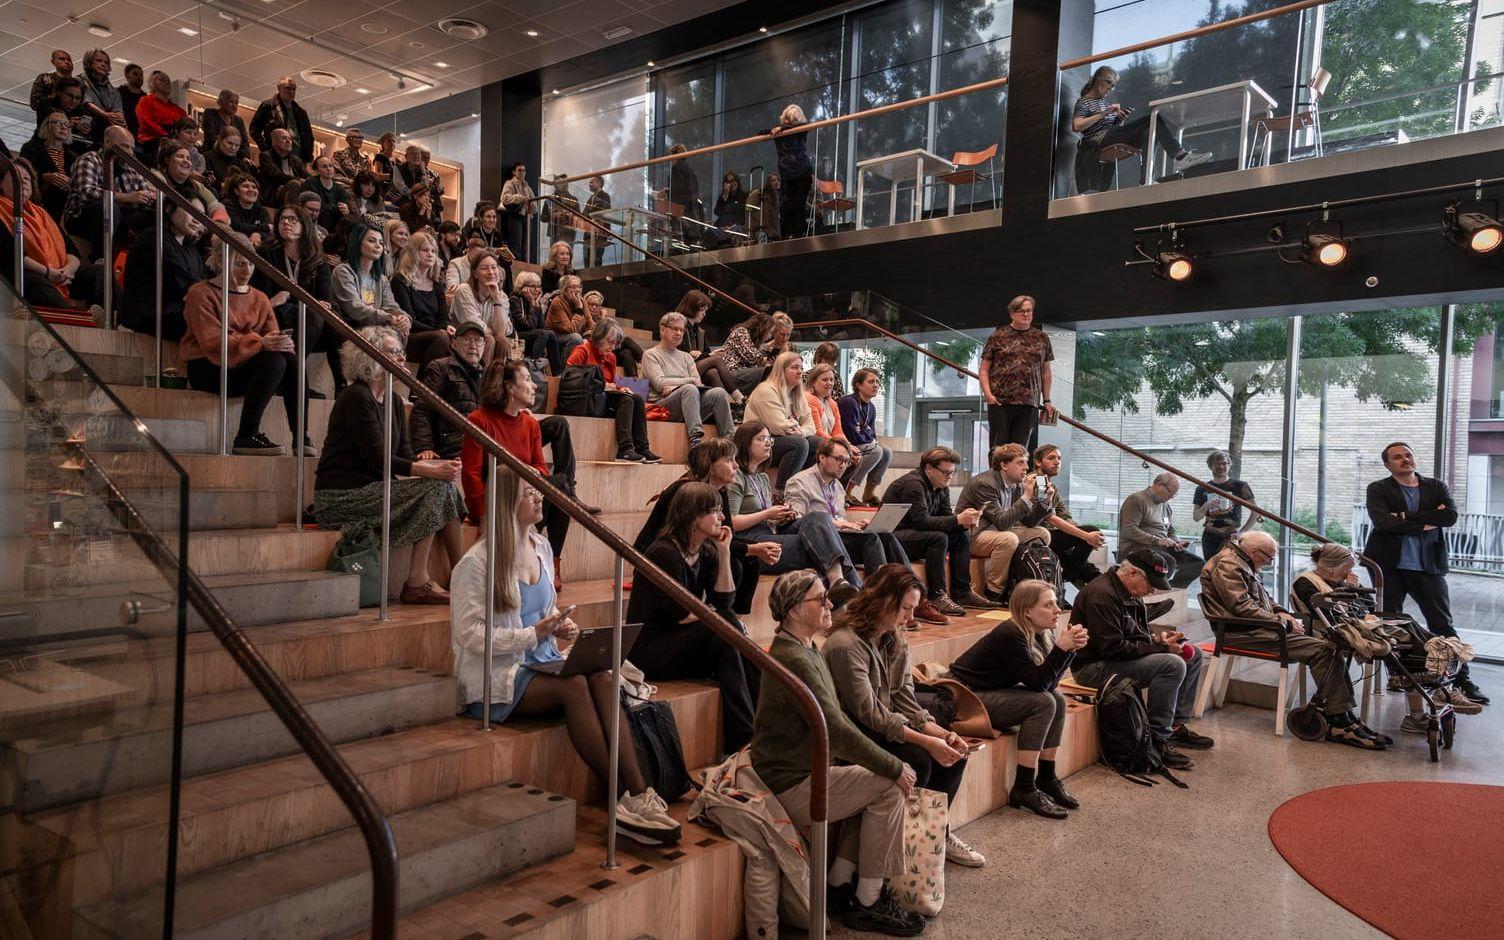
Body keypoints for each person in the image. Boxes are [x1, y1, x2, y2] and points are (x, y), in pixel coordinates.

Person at [449, 465, 680, 844]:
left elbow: (543, 613)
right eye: (529, 492)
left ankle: (636, 794)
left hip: (543, 659)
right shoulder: (476, 563)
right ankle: (624, 795)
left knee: (602, 676)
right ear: (508, 502)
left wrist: (559, 627)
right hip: (500, 674)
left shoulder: (541, 545)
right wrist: (532, 633)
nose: (539, 496)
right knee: (574, 685)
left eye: (538, 490)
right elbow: (470, 635)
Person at [751, 570, 923, 937]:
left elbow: (838, 722)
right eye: (820, 599)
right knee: (890, 784)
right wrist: (893, 766)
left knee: (885, 780)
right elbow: (835, 728)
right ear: (796, 610)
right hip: (792, 782)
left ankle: (842, 881)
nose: (830, 603)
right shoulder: (794, 657)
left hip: (806, 770)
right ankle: (867, 900)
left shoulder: (805, 648)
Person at [824, 565, 984, 868]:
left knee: (953, 753)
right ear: (884, 601)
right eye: (906, 608)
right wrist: (927, 741)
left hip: (881, 727)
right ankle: (897, 847)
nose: (911, 617)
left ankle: (931, 835)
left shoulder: (893, 635)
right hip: (852, 737)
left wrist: (942, 735)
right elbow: (870, 715)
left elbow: (903, 697)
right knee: (920, 759)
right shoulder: (845, 644)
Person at [313, 325, 463, 605]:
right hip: (342, 497)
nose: (402, 358)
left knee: (447, 489)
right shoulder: (356, 396)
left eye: (401, 352)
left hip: (375, 489)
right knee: (435, 488)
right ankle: (418, 580)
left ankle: (462, 574)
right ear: (369, 357)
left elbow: (404, 452)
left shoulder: (393, 399)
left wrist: (439, 466)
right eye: (394, 352)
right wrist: (430, 472)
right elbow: (377, 458)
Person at [1199, 531, 1382, 749]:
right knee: (1325, 650)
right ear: (1254, 551)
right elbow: (1241, 606)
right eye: (1268, 557)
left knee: (1331, 648)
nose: (1269, 562)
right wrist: (1281, 620)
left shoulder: (1243, 561)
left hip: (1259, 628)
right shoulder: (1228, 564)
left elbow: (1264, 599)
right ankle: (1339, 720)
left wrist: (1282, 613)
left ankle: (1343, 715)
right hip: (1242, 633)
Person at [1290, 543, 1482, 735]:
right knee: (1407, 637)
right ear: (1332, 568)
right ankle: (1437, 689)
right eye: (1347, 568)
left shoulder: (1340, 581)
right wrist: (1350, 594)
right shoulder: (1305, 582)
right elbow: (1327, 612)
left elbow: (1370, 607)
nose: (1349, 572)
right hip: (1332, 631)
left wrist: (1355, 590)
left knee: (1407, 622)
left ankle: (1437, 683)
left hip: (1357, 625)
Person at [627, 483, 759, 752]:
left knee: (729, 634)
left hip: (681, 641)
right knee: (727, 629)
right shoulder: (663, 552)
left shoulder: (706, 550)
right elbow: (680, 614)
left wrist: (724, 553)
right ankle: (746, 736)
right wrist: (715, 616)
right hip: (650, 650)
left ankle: (750, 734)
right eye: (715, 511)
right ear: (693, 515)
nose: (722, 518)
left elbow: (724, 601)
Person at [946, 579, 1087, 818]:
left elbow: (1048, 684)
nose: (1057, 610)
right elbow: (1038, 683)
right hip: (965, 698)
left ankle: (1047, 777)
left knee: (1057, 699)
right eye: (1048, 604)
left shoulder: (1039, 632)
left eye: (1055, 603)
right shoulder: (1010, 633)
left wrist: (1068, 650)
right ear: (1027, 612)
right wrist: (1063, 650)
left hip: (987, 692)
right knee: (1044, 702)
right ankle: (1024, 787)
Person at [1364, 442, 1485, 704]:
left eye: (1408, 455)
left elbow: (1450, 516)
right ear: (1388, 464)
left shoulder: (1436, 486)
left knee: (1442, 625)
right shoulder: (1378, 488)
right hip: (1388, 567)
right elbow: (1382, 522)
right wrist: (1425, 522)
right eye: (1397, 457)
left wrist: (1405, 516)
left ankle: (1460, 679)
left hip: (1428, 566)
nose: (1405, 460)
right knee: (1391, 626)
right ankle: (1400, 675)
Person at [1069, 548, 1211, 764]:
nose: (1152, 591)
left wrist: (1160, 640)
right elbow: (1112, 649)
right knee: (1172, 664)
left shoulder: (1129, 591)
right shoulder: (1101, 595)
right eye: (1151, 585)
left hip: (1115, 659)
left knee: (1193, 655)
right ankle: (1156, 739)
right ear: (1133, 573)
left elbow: (1137, 638)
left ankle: (1175, 726)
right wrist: (1161, 649)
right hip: (1093, 667)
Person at [461, 360, 591, 584]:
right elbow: (471, 473)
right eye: (528, 379)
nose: (535, 386)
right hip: (500, 499)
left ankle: (553, 562)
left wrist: (532, 472)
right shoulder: (479, 419)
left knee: (560, 484)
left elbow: (539, 465)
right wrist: (482, 515)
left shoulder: (529, 424)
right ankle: (550, 562)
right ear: (510, 388)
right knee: (561, 487)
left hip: (528, 495)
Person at [180, 234, 301, 455]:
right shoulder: (201, 293)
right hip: (209, 365)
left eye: (250, 264)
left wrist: (280, 341)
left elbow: (270, 335)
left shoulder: (260, 297)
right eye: (239, 264)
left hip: (246, 365)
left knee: (290, 360)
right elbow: (213, 341)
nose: (247, 270)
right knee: (273, 361)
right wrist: (261, 342)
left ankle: (301, 437)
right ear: (221, 261)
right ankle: (246, 434)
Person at [635, 438, 772, 618]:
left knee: (748, 560)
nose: (737, 466)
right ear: (710, 464)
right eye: (730, 460)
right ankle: (721, 618)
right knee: (735, 564)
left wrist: (749, 550)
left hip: (697, 547)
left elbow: (724, 531)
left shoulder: (720, 491)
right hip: (665, 556)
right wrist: (751, 549)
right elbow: (694, 537)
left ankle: (735, 619)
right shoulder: (685, 491)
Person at [727, 422, 861, 591]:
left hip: (769, 532)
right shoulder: (735, 476)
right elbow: (731, 523)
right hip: (750, 541)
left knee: (817, 517)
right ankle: (852, 588)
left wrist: (781, 515)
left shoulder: (762, 478)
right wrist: (767, 514)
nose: (769, 443)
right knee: (819, 545)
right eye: (762, 439)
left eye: (769, 439)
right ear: (745, 443)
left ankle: (839, 584)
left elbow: (769, 519)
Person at [883, 446, 998, 619]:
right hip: (892, 537)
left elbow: (945, 518)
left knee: (960, 536)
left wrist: (963, 524)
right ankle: (937, 595)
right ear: (929, 468)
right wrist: (958, 520)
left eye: (952, 473)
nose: (949, 477)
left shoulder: (941, 485)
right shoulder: (914, 484)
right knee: (938, 538)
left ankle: (963, 592)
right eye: (946, 472)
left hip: (915, 535)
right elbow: (922, 521)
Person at [785, 437, 910, 580]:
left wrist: (856, 526)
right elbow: (797, 521)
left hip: (841, 537)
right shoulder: (800, 482)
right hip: (821, 542)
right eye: (839, 459)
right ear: (822, 457)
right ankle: (877, 596)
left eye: (846, 461)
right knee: (871, 539)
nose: (843, 465)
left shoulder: (838, 486)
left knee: (885, 536)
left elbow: (839, 518)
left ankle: (910, 586)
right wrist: (841, 524)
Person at [1071, 65, 1212, 192]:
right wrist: (1105, 113)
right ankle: (1180, 156)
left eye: (1113, 86)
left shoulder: (1103, 102)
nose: (1110, 88)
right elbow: (1077, 126)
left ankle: (1146, 179)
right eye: (1109, 83)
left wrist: (1119, 119)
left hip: (1110, 137)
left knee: (1149, 132)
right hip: (1098, 141)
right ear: (1098, 80)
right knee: (1153, 119)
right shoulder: (1084, 102)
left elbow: (1111, 127)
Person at [0, 156, 105, 310]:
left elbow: (72, 250)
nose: (22, 182)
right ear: (1, 182)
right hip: (25, 273)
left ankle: (115, 320)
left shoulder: (41, 213)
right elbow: (10, 254)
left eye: (27, 178)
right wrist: (48, 272)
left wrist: (67, 271)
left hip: (60, 274)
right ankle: (75, 320)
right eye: (16, 177)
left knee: (99, 272)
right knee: (36, 283)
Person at [956, 444, 1054, 603]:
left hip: (998, 532)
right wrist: (1026, 498)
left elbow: (1029, 521)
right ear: (1003, 465)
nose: (1026, 467)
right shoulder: (985, 484)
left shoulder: (1015, 485)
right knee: (1008, 539)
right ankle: (994, 591)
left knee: (1042, 534)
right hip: (972, 535)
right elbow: (1002, 522)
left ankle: (1022, 584)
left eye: (1026, 462)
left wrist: (1045, 501)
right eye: (1020, 463)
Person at [253, 204, 333, 399]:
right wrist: (304, 301)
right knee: (311, 314)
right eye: (282, 219)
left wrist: (288, 295)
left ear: (305, 225)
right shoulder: (266, 253)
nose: (286, 223)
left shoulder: (317, 259)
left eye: (293, 219)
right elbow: (267, 299)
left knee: (335, 325)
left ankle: (341, 388)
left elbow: (325, 298)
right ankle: (294, 380)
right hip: (277, 316)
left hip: (307, 320)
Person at [565, 318, 660, 464]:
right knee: (626, 400)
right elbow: (568, 378)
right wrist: (601, 386)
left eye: (615, 343)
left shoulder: (611, 357)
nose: (613, 346)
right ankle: (625, 449)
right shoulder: (583, 350)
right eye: (610, 341)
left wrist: (620, 389)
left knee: (636, 398)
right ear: (599, 336)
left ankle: (642, 448)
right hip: (585, 400)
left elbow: (611, 383)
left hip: (603, 398)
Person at [642, 311, 733, 446]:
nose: (679, 333)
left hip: (690, 401)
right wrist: (687, 382)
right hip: (663, 405)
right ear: (662, 330)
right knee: (689, 389)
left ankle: (729, 440)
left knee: (718, 393)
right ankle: (696, 438)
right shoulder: (651, 355)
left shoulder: (686, 357)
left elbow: (699, 383)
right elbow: (660, 384)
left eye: (681, 330)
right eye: (675, 329)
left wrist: (677, 386)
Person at [120, 194, 206, 336]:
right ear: (169, 208)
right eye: (192, 212)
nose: (197, 220)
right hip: (150, 315)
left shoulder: (191, 248)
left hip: (177, 312)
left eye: (201, 215)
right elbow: (178, 278)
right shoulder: (154, 237)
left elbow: (201, 280)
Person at [62, 124, 156, 250]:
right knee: (108, 207)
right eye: (125, 146)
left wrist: (147, 198)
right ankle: (100, 259)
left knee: (155, 216)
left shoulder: (132, 167)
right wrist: (127, 197)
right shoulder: (89, 159)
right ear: (107, 142)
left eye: (132, 149)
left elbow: (144, 194)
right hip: (81, 216)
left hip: (122, 216)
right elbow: (88, 192)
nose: (129, 152)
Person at [979, 295, 1053, 451]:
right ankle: (997, 476)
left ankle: (1017, 476)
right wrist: (988, 395)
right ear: (1012, 314)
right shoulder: (997, 336)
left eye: (1029, 311)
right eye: (1021, 311)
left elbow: (1046, 372)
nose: (1026, 314)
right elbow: (984, 369)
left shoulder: (1041, 338)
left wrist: (1046, 400)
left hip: (1028, 402)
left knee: (1020, 450)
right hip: (1000, 401)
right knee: (998, 449)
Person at [1031, 444, 1107, 590]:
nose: (1057, 462)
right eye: (1051, 458)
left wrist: (1080, 531)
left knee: (1081, 561)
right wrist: (1085, 535)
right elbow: (1049, 517)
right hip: (1038, 534)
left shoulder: (1049, 484)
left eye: (1059, 458)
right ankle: (1069, 577)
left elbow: (1064, 515)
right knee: (1090, 531)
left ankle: (1109, 592)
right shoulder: (1039, 482)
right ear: (1038, 462)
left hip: (1050, 534)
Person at [744, 351, 820, 496]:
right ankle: (781, 492)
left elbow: (811, 425)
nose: (799, 372)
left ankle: (803, 488)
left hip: (779, 440)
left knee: (817, 443)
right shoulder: (766, 390)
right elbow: (778, 427)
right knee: (799, 444)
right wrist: (797, 427)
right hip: (756, 442)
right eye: (794, 368)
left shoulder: (797, 394)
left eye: (801, 368)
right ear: (781, 370)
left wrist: (802, 431)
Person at [411, 320, 487, 463]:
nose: (473, 346)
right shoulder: (440, 368)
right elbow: (422, 410)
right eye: (466, 340)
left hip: (481, 444)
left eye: (478, 341)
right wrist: (424, 447)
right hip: (452, 446)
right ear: (453, 344)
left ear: (485, 346)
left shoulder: (487, 375)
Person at [331, 222, 411, 346]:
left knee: (399, 330)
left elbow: (390, 305)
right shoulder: (343, 271)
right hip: (353, 329)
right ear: (358, 243)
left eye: (380, 242)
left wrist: (404, 318)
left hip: (376, 328)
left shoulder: (382, 279)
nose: (378, 246)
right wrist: (390, 318)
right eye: (372, 240)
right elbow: (354, 308)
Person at [1118, 473, 1203, 589]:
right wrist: (1157, 541)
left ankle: (1169, 589)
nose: (1172, 497)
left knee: (1197, 564)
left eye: (1174, 494)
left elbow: (1170, 530)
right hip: (1136, 548)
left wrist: (1176, 542)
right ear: (1159, 485)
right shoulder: (1137, 500)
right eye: (1171, 492)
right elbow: (1128, 529)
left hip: (1159, 548)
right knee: (1168, 562)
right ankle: (1157, 592)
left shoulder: (1165, 506)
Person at [388, 230, 452, 370]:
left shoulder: (436, 283)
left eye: (433, 251)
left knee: (464, 339)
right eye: (425, 250)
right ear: (413, 253)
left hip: (436, 335)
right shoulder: (400, 280)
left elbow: (443, 317)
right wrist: (440, 331)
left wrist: (446, 327)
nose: (430, 254)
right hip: (409, 336)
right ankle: (420, 389)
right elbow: (410, 319)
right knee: (441, 339)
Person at [838, 368, 892, 508]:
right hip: (845, 443)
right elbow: (852, 435)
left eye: (877, 382)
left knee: (886, 452)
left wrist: (864, 433)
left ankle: (868, 493)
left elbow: (872, 435)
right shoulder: (849, 402)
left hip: (860, 444)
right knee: (876, 451)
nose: (876, 385)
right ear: (858, 385)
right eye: (871, 382)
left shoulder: (871, 407)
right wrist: (865, 434)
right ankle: (846, 491)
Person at [451, 252, 520, 362]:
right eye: (484, 268)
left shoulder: (502, 296)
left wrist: (496, 300)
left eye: (494, 267)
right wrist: (493, 332)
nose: (491, 272)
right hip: (463, 338)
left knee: (502, 340)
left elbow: (503, 331)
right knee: (489, 339)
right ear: (475, 274)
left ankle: (496, 377)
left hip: (487, 338)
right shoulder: (464, 290)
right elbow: (472, 324)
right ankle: (481, 378)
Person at [1193, 450, 1259, 560]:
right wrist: (1207, 505)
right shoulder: (1202, 488)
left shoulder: (1240, 486)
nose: (1221, 467)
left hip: (1232, 536)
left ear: (1229, 465)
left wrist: (1242, 532)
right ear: (1210, 466)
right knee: (1211, 570)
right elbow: (1196, 517)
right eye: (1216, 463)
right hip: (1210, 537)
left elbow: (1256, 511)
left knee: (1229, 570)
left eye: (1224, 463)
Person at [20, 111, 77, 223]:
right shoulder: (31, 149)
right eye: (57, 122)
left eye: (66, 124)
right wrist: (44, 176)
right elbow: (23, 173)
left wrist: (70, 183)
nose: (63, 127)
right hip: (42, 194)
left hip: (66, 198)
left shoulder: (72, 156)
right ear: (46, 126)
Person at [707, 310, 777, 396]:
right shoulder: (741, 331)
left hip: (742, 372)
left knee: (773, 371)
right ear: (764, 328)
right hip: (729, 373)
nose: (770, 336)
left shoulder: (754, 341)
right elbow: (751, 357)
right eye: (770, 332)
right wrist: (767, 358)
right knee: (770, 371)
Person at [769, 104, 812, 239]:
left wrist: (782, 128)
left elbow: (802, 127)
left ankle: (798, 236)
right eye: (787, 119)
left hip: (802, 173)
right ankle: (790, 235)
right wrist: (776, 130)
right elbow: (762, 132)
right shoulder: (779, 131)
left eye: (792, 120)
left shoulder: (801, 130)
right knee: (786, 207)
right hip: (787, 175)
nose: (788, 122)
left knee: (798, 205)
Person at [157, 142, 226, 224]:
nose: (186, 161)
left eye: (188, 158)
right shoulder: (157, 178)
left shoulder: (196, 185)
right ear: (167, 160)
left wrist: (219, 223)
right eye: (180, 156)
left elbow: (216, 207)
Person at [249, 76, 314, 164]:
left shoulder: (301, 112)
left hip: (298, 157)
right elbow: (254, 130)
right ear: (279, 88)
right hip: (276, 156)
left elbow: (309, 136)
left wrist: (308, 155)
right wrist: (266, 149)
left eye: (294, 89)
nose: (291, 92)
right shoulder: (268, 106)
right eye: (288, 88)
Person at [507, 268, 560, 370]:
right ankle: (533, 367)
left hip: (532, 337)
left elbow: (542, 327)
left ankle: (557, 372)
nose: (537, 290)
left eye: (539, 286)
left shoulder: (535, 302)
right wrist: (532, 305)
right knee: (542, 333)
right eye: (533, 286)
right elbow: (527, 325)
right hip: (518, 337)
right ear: (523, 288)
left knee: (550, 334)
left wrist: (535, 305)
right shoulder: (515, 300)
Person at [584, 289, 642, 373]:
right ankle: (645, 359)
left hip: (608, 350)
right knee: (626, 340)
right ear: (585, 304)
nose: (594, 307)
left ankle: (634, 380)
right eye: (591, 304)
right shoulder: (581, 316)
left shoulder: (600, 319)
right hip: (595, 348)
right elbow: (598, 334)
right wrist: (603, 318)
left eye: (597, 305)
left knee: (626, 353)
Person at [77, 49, 125, 148]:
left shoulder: (113, 90)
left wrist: (119, 118)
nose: (103, 64)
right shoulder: (79, 81)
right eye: (98, 61)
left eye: (106, 62)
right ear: (89, 63)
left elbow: (118, 110)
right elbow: (87, 102)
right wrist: (105, 115)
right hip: (87, 132)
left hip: (106, 134)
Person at [134, 70, 185, 150]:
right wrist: (165, 135)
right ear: (152, 83)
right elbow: (145, 121)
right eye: (161, 80)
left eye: (168, 81)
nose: (166, 83)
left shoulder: (176, 109)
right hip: (153, 139)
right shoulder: (146, 100)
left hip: (174, 140)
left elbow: (187, 123)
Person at [544, 272, 588, 360]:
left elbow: (590, 324)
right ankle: (565, 369)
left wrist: (589, 336)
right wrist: (578, 310)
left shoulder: (582, 301)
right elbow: (569, 329)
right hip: (556, 337)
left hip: (572, 335)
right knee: (576, 338)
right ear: (565, 289)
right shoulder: (558, 302)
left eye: (579, 286)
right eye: (573, 287)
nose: (578, 290)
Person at [303, 156, 352, 233]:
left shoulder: (340, 188)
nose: (329, 169)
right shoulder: (311, 183)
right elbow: (316, 204)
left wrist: (345, 208)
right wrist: (335, 208)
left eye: (330, 166)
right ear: (317, 170)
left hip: (335, 218)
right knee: (326, 214)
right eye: (324, 167)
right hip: (317, 216)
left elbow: (342, 206)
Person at [206, 128, 259, 198]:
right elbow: (208, 183)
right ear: (220, 141)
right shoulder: (207, 158)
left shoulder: (240, 163)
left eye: (237, 145)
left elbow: (250, 183)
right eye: (229, 143)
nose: (233, 148)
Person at [804, 362, 848, 445]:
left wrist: (847, 445)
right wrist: (841, 446)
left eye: (831, 380)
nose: (829, 383)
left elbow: (838, 431)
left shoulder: (833, 404)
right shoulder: (809, 399)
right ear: (813, 382)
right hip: (815, 445)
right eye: (825, 380)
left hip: (830, 444)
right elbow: (817, 432)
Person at [200, 89, 250, 161]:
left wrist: (245, 156)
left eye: (236, 103)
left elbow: (244, 142)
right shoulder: (210, 113)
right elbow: (210, 136)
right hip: (212, 155)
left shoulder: (239, 120)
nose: (234, 106)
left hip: (232, 158)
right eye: (231, 102)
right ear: (221, 102)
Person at [500, 162, 535, 261]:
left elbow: (535, 203)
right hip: (516, 216)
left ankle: (525, 265)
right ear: (514, 172)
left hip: (527, 217)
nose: (522, 172)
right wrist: (520, 198)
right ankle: (516, 267)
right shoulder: (510, 183)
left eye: (524, 170)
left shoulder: (527, 186)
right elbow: (504, 198)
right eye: (519, 170)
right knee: (516, 244)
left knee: (526, 245)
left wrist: (531, 205)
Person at [257, 128, 306, 197]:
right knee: (295, 184)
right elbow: (277, 175)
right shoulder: (265, 156)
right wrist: (299, 180)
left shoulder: (296, 160)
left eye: (290, 139)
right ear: (274, 142)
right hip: (275, 194)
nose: (288, 141)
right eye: (284, 138)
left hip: (296, 190)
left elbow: (307, 176)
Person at [29, 50, 73, 117]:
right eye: (62, 59)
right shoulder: (45, 78)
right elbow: (35, 104)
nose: (66, 62)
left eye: (69, 60)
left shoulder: (78, 83)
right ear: (53, 62)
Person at [544, 173, 581, 253]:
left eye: (566, 182)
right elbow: (543, 217)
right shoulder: (550, 199)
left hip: (568, 233)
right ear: (556, 184)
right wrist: (553, 216)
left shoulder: (573, 199)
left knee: (567, 256)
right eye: (561, 182)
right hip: (554, 232)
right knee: (555, 256)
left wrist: (569, 215)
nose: (564, 184)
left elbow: (579, 218)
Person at [584, 175, 610, 266]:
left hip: (599, 233)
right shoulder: (590, 199)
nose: (589, 184)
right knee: (587, 258)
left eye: (592, 182)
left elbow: (602, 211)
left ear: (599, 183)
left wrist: (589, 214)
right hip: (588, 233)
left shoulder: (605, 196)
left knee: (597, 258)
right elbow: (584, 214)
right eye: (589, 182)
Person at [713, 171, 746, 241]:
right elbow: (717, 212)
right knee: (709, 232)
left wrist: (731, 227)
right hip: (721, 228)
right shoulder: (724, 196)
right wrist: (725, 197)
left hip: (736, 227)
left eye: (733, 181)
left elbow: (742, 215)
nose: (732, 183)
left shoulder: (743, 196)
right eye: (729, 182)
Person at [117, 63, 145, 141]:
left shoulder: (145, 98)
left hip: (141, 139)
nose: (139, 77)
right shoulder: (119, 93)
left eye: (141, 75)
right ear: (127, 76)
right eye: (135, 74)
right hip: (123, 135)